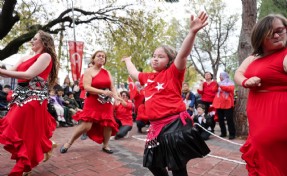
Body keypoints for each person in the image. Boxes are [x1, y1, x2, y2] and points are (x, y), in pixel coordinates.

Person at [122, 11, 210, 176]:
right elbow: (134, 73)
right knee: (152, 164)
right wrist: (128, 61)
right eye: (153, 56)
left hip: (174, 124)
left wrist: (192, 33)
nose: (155, 59)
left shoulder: (173, 73)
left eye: (160, 57)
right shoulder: (147, 77)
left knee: (177, 165)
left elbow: (183, 54)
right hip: (155, 127)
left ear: (170, 60)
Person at [234, 14, 287, 175]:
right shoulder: (253, 57)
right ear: (261, 37)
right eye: (271, 33)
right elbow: (239, 73)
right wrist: (245, 82)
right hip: (257, 114)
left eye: (280, 30)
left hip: (277, 114)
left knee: (274, 156)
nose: (277, 35)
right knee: (264, 152)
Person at [0, 30, 59, 175]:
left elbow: (29, 75)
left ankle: (23, 166)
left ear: (43, 42)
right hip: (20, 97)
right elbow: (9, 72)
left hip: (34, 98)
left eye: (35, 39)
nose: (32, 41)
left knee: (16, 126)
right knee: (18, 129)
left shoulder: (45, 56)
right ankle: (41, 150)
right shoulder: (24, 57)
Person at [60, 50, 119, 154]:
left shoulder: (107, 72)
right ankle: (69, 142)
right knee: (86, 125)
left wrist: (117, 98)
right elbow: (87, 87)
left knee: (108, 124)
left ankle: (105, 145)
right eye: (99, 56)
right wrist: (103, 92)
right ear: (93, 58)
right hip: (92, 100)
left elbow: (112, 87)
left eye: (103, 57)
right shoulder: (89, 71)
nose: (101, 58)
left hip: (106, 102)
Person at [212, 71, 236, 139]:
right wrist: (217, 85)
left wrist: (220, 85)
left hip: (228, 104)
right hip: (219, 104)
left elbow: (229, 89)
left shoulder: (230, 83)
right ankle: (223, 133)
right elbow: (214, 90)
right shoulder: (219, 84)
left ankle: (232, 134)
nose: (219, 77)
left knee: (229, 120)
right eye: (219, 76)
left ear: (224, 76)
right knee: (220, 119)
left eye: (221, 76)